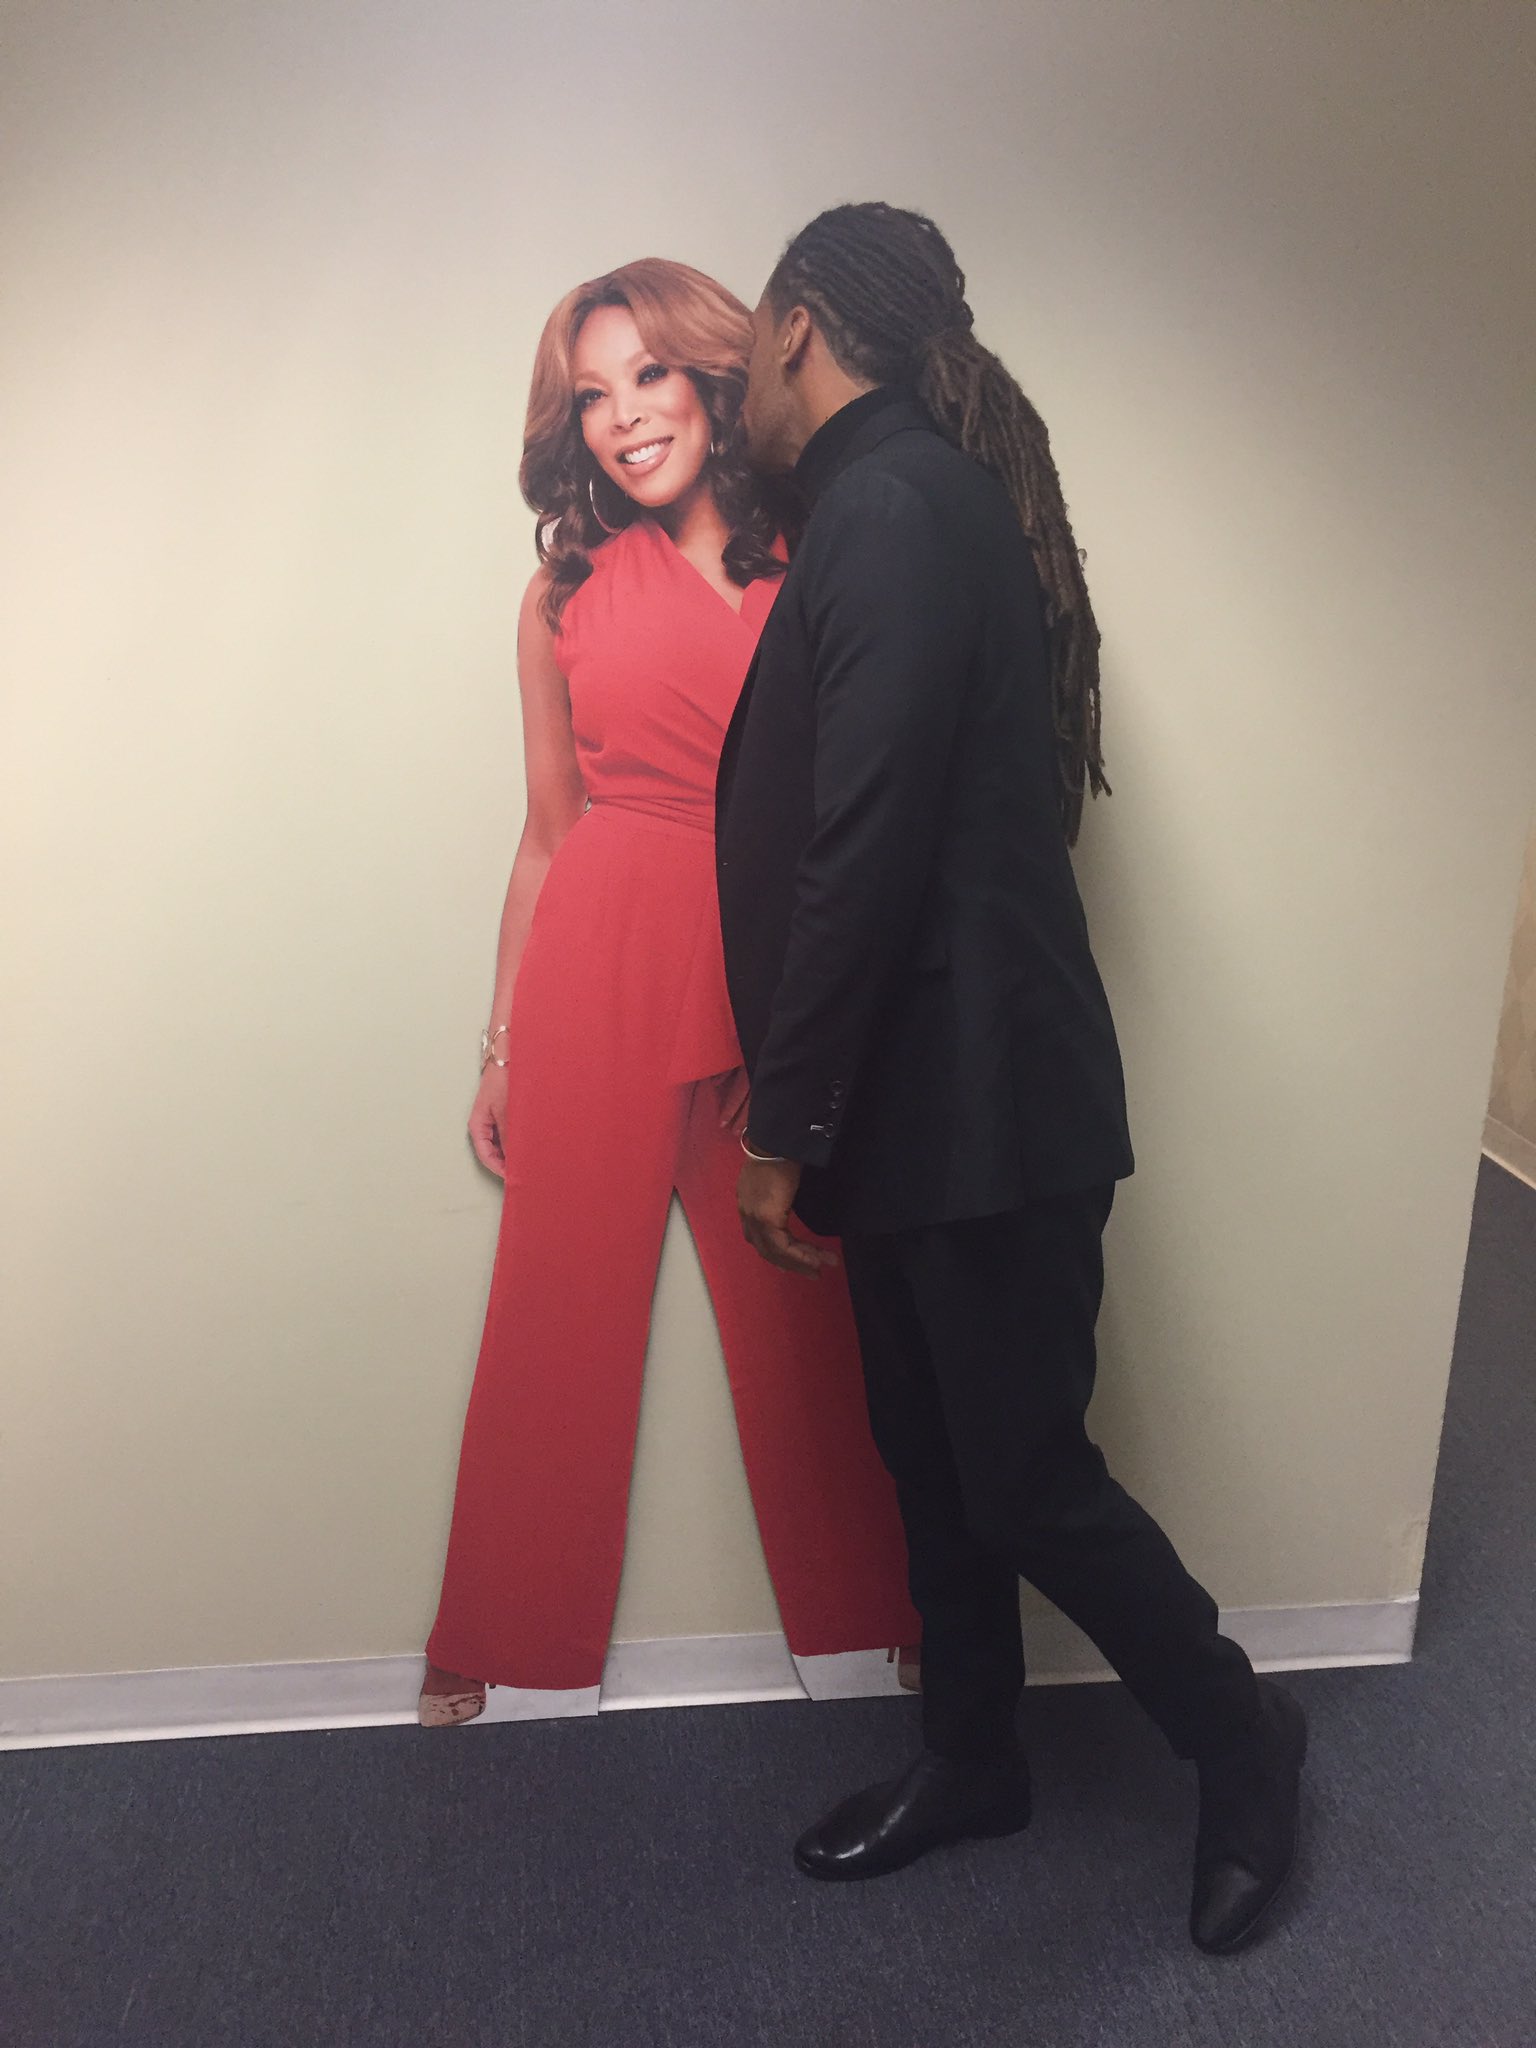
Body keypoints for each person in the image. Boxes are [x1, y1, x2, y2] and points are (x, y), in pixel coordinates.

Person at [715, 203, 1306, 1954]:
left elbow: (866, 841)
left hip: (979, 1111)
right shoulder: (894, 502)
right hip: (923, 1107)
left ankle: (1244, 1738)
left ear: (802, 327)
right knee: (933, 1458)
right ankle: (975, 1759)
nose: (739, 382)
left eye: (750, 345)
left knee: (1027, 1473)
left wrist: (782, 1122)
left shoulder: (896, 506)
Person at [421, 257, 918, 1727]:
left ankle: (885, 1612)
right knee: (554, 1298)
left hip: (776, 966)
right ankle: (505, 1637)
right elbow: (547, 833)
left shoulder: (819, 556)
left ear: (713, 378)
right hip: (600, 963)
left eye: (648, 375)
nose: (625, 416)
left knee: (810, 1286)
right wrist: (502, 1042)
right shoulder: (561, 593)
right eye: (592, 395)